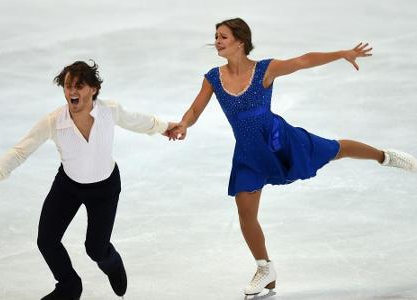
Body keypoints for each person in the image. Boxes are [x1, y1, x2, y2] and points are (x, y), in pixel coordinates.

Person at [166, 18, 417, 297]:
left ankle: (386, 157)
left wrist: (342, 53)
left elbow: (303, 60)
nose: (217, 41)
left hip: (279, 140)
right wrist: (184, 124)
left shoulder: (264, 69)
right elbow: (194, 110)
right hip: (249, 153)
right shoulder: (213, 77)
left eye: (223, 36)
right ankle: (265, 269)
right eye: (216, 36)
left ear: (240, 41)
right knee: (246, 214)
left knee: (335, 149)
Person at [0, 60, 176, 300]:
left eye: (79, 86)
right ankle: (69, 285)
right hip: (68, 187)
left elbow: (137, 121)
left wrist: (165, 127)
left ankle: (111, 262)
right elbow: (22, 150)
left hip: (105, 188)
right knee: (47, 241)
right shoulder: (54, 121)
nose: (72, 91)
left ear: (93, 89)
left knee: (96, 249)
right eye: (68, 86)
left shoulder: (109, 111)